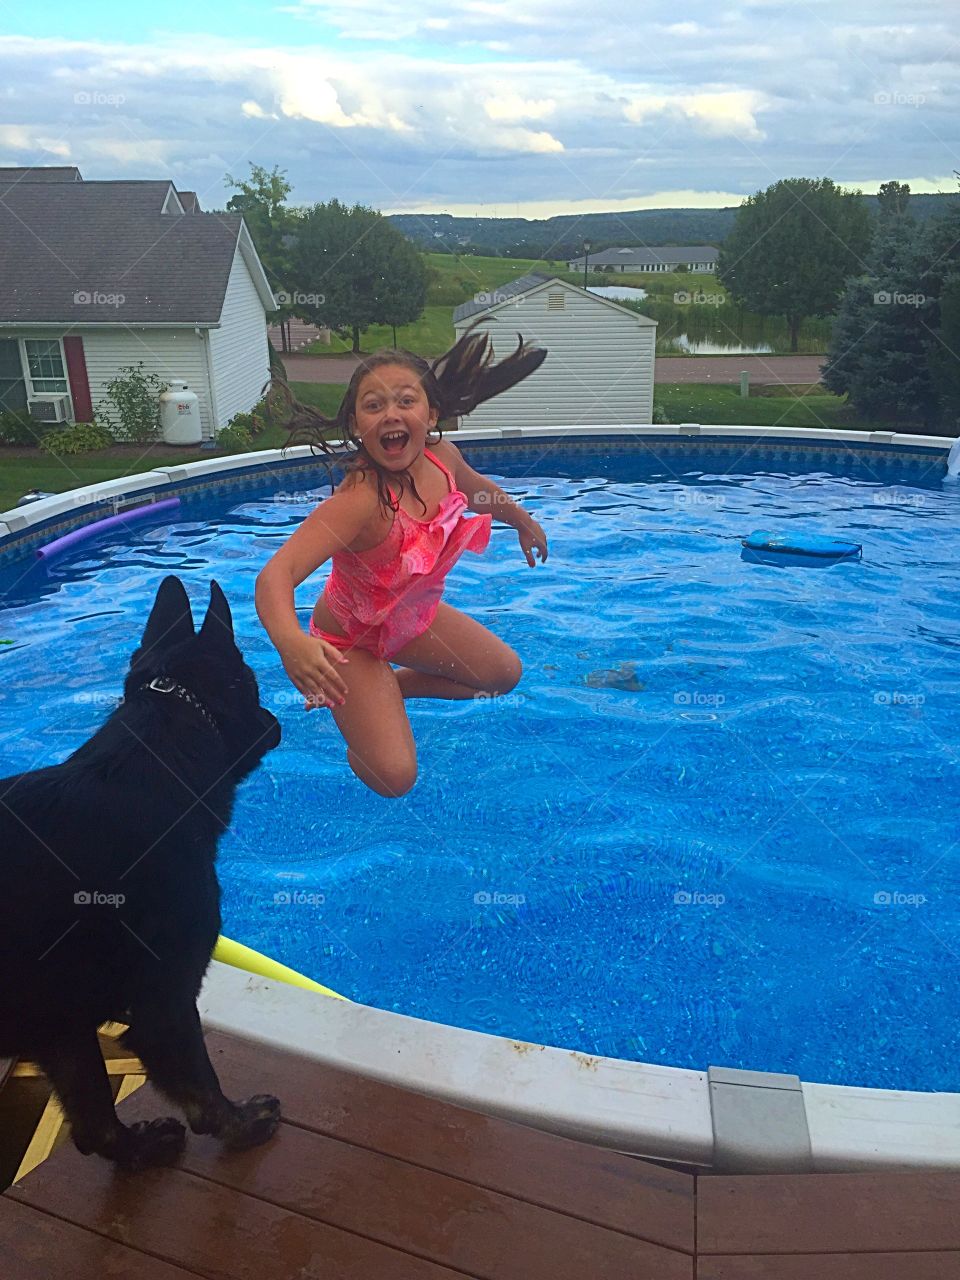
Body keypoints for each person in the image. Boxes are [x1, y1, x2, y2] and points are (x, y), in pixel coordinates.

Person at [255, 328, 549, 798]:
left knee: (501, 676)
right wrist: (293, 645)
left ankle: (387, 692)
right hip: (349, 641)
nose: (390, 413)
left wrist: (520, 519)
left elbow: (479, 491)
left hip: (408, 620)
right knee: (395, 779)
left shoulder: (443, 458)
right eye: (373, 405)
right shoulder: (360, 501)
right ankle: (361, 719)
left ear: (431, 413)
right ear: (356, 426)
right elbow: (277, 575)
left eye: (405, 401)